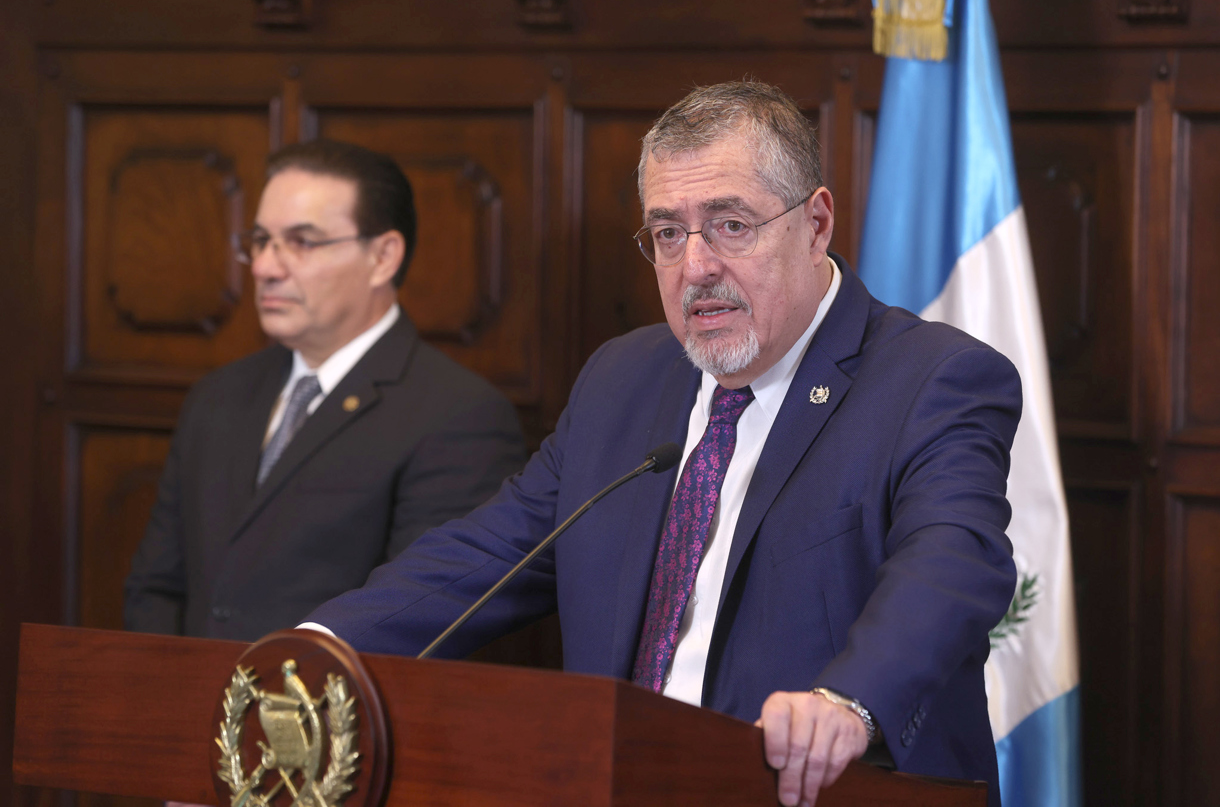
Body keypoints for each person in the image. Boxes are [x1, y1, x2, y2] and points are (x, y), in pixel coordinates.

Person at [304, 82, 1019, 807]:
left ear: (816, 223)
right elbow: (486, 556)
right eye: (668, 233)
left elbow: (952, 562)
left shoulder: (932, 379)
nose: (696, 266)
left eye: (731, 225)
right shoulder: (624, 378)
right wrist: (310, 649)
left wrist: (847, 703)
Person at [124, 139, 527, 643]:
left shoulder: (458, 416)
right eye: (261, 240)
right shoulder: (217, 396)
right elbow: (156, 587)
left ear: (383, 257)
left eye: (302, 242)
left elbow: (421, 620)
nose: (267, 267)